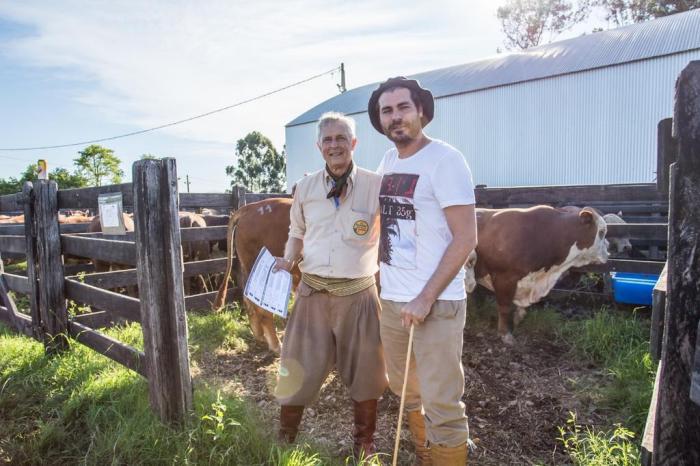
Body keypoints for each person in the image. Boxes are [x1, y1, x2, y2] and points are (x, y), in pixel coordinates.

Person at [368, 77, 477, 465]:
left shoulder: (446, 161)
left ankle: (446, 453)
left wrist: (425, 297)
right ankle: (425, 456)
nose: (395, 117)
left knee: (442, 402)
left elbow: (466, 238)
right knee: (405, 389)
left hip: (437, 301)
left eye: (403, 107)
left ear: (421, 113)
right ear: (380, 121)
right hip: (395, 300)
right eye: (387, 111)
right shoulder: (388, 161)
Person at [273, 112, 388, 460]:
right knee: (295, 364)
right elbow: (297, 233)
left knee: (368, 371)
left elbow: (394, 235)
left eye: (341, 138)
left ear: (353, 144)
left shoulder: (376, 185)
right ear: (319, 146)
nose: (334, 145)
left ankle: (363, 445)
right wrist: (288, 259)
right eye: (328, 140)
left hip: (359, 295)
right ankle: (285, 437)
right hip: (312, 294)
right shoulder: (305, 188)